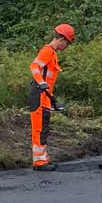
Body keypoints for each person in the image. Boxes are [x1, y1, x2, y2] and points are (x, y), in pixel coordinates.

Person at [28, 24, 74, 171]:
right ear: (62, 39)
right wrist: (41, 83)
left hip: (45, 96)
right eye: (67, 43)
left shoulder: (53, 54)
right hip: (39, 95)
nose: (66, 46)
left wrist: (53, 100)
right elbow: (34, 66)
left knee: (44, 128)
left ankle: (43, 159)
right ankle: (39, 162)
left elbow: (48, 82)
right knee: (39, 129)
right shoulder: (47, 51)